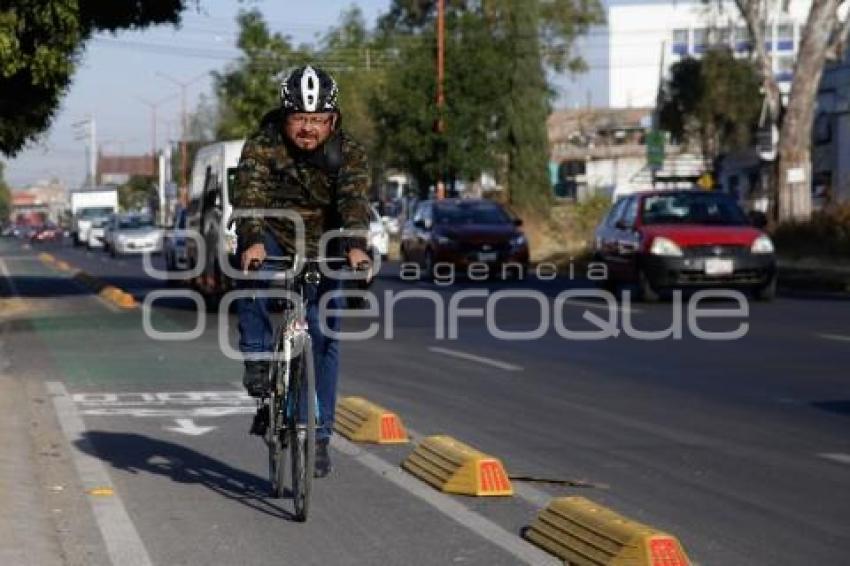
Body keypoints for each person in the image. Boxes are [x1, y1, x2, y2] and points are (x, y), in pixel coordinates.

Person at [234, 65, 372, 478]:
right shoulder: (262, 144)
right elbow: (250, 194)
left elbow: (353, 200)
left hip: (325, 238)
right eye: (300, 119)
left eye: (317, 120)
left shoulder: (349, 151)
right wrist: (254, 238)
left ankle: (320, 435)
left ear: (332, 119)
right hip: (274, 230)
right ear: (285, 116)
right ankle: (259, 356)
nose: (308, 129)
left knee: (325, 334)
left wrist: (356, 249)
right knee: (250, 273)